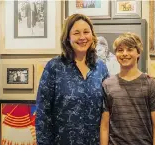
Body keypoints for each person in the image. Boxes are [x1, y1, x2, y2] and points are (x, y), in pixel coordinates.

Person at [35, 13, 109, 145]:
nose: (82, 37)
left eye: (86, 32)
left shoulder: (101, 68)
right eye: (76, 33)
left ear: (92, 36)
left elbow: (109, 105)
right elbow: (43, 114)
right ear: (67, 37)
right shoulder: (54, 67)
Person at [100, 32, 155, 145]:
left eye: (130, 49)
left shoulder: (150, 84)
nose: (124, 54)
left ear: (138, 53)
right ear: (115, 54)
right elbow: (105, 126)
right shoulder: (107, 84)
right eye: (120, 50)